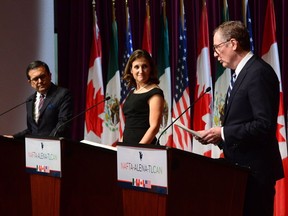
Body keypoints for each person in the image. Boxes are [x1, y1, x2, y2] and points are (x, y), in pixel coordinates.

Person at [195, 21, 284, 215]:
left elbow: (264, 125)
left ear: (233, 43)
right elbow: (242, 121)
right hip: (238, 172)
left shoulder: (258, 73)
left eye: (217, 47)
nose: (215, 54)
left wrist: (224, 132)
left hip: (255, 173)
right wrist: (218, 137)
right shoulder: (240, 73)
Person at [8, 60, 73, 139]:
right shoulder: (30, 100)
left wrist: (47, 142)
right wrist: (14, 137)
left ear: (50, 76)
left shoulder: (62, 94)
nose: (40, 81)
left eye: (42, 76)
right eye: (35, 79)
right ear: (30, 82)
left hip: (56, 147)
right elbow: (32, 130)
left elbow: (63, 124)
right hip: (35, 149)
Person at [122, 49, 164, 145]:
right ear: (131, 70)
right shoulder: (133, 92)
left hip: (144, 151)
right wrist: (120, 146)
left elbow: (154, 127)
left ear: (150, 69)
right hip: (128, 149)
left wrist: (137, 149)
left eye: (144, 66)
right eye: (136, 67)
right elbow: (129, 125)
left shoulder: (155, 92)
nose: (140, 71)